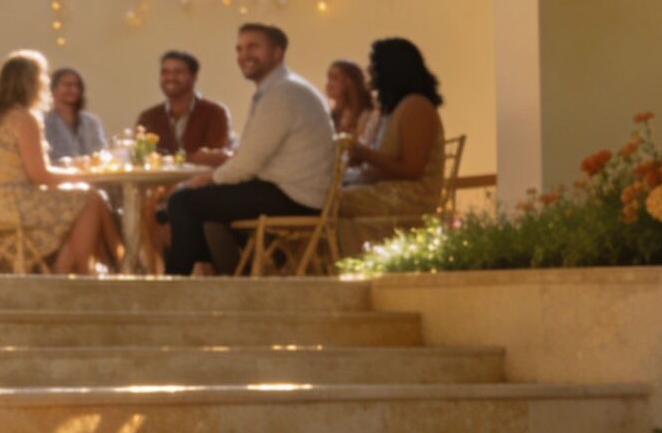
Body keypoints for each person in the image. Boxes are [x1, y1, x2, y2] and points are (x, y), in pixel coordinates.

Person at [160, 23, 339, 276]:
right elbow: (250, 156)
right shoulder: (281, 89)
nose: (244, 55)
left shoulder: (284, 92)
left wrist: (208, 178)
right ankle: (217, 275)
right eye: (239, 49)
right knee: (197, 203)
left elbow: (249, 163)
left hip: (295, 196)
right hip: (293, 191)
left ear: (277, 53)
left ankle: (175, 284)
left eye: (253, 47)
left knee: (183, 201)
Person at [0, 50, 124, 275]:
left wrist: (71, 173)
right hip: (15, 206)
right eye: (44, 78)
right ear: (32, 83)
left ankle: (77, 267)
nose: (46, 84)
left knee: (82, 200)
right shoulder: (23, 118)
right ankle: (89, 268)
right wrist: (84, 176)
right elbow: (40, 176)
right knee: (90, 198)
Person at [131, 49, 235, 269]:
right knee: (142, 207)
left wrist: (174, 160)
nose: (170, 77)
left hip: (199, 186)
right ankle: (150, 269)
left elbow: (213, 156)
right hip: (159, 188)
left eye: (177, 72)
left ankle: (177, 271)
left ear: (193, 77)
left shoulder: (214, 112)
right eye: (165, 72)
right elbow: (142, 156)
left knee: (165, 209)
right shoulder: (149, 116)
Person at [340, 37, 448, 217]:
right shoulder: (390, 109)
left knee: (322, 201)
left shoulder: (417, 106)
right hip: (384, 187)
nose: (369, 70)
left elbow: (412, 170)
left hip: (410, 197)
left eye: (373, 65)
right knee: (320, 194)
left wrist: (362, 152)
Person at [324, 57, 382, 173]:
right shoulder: (331, 111)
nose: (328, 84)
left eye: (334, 78)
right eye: (328, 78)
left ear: (349, 82)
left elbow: (366, 148)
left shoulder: (370, 112)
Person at [43, 67, 109, 161]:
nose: (73, 89)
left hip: (89, 173)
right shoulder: (44, 122)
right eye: (67, 85)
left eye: (77, 86)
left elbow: (101, 151)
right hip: (57, 173)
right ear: (53, 89)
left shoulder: (91, 122)